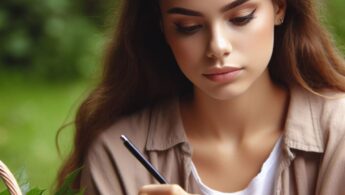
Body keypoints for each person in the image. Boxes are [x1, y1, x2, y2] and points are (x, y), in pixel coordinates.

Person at [56, 0, 345, 194]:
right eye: (188, 27)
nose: (217, 47)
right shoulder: (118, 156)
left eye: (241, 18)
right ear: (163, 29)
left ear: (279, 8)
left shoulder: (339, 134)